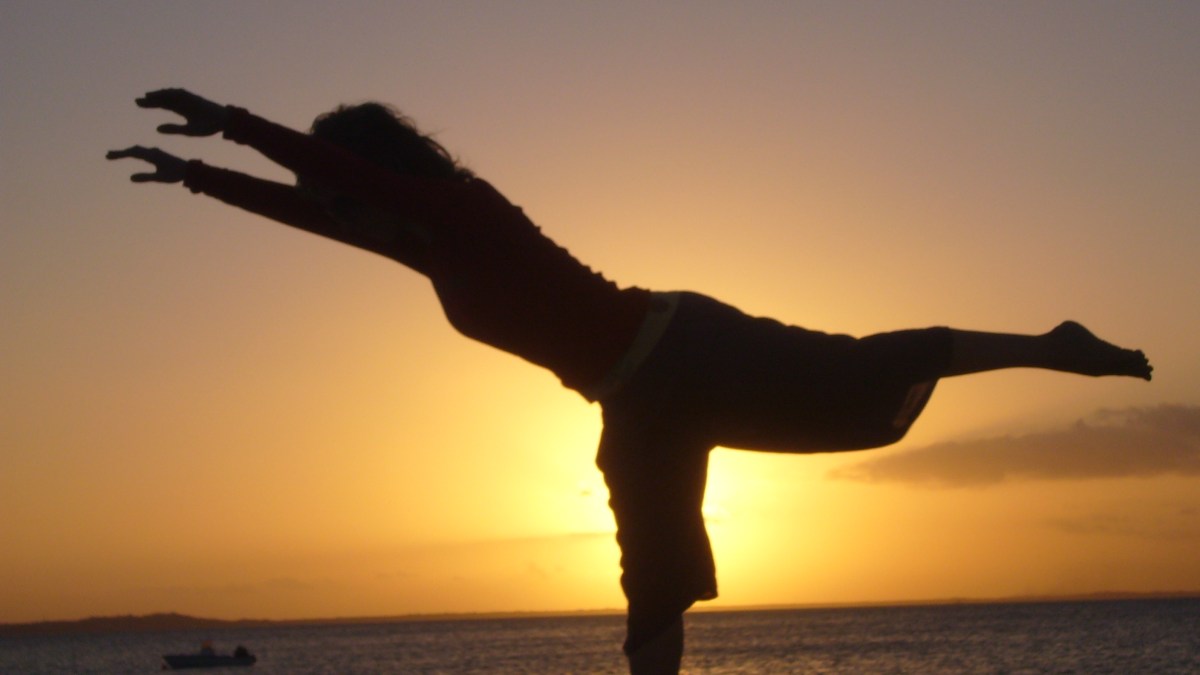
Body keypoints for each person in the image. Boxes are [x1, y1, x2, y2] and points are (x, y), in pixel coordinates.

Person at [109, 88, 1153, 674]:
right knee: (650, 564)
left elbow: (353, 187)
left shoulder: (466, 209)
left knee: (859, 370)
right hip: (635, 401)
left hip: (685, 347)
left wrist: (231, 122)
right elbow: (321, 215)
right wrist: (202, 178)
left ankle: (1053, 343)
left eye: (336, 180)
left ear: (375, 170)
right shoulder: (429, 248)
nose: (331, 203)